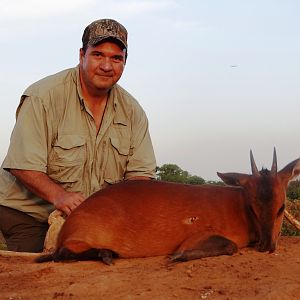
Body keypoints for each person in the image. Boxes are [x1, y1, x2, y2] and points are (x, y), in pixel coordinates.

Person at [0, 19, 156, 253]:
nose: (106, 66)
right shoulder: (43, 96)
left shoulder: (133, 111)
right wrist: (60, 197)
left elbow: (140, 177)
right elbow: (22, 165)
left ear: (125, 62)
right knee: (41, 274)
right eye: (98, 55)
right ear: (82, 55)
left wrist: (116, 211)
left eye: (116, 58)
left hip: (90, 217)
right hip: (31, 212)